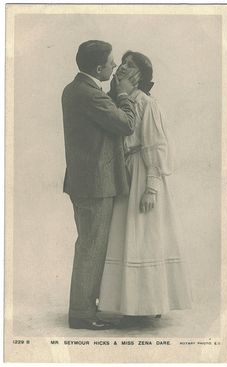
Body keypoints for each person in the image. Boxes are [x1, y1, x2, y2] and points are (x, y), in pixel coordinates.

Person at [98, 51, 192, 324]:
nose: (123, 69)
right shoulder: (118, 101)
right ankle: (128, 303)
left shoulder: (148, 104)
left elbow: (156, 144)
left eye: (130, 66)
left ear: (141, 75)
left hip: (141, 173)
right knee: (124, 237)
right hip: (123, 174)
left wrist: (151, 188)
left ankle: (150, 303)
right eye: (123, 64)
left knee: (144, 237)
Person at [62, 41, 140, 330]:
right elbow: (127, 123)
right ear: (98, 68)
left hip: (83, 183)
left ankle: (83, 307)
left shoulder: (75, 89)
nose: (114, 68)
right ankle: (81, 314)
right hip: (96, 185)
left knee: (88, 245)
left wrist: (112, 94)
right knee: (91, 248)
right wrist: (123, 93)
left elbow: (102, 114)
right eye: (110, 64)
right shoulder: (91, 96)